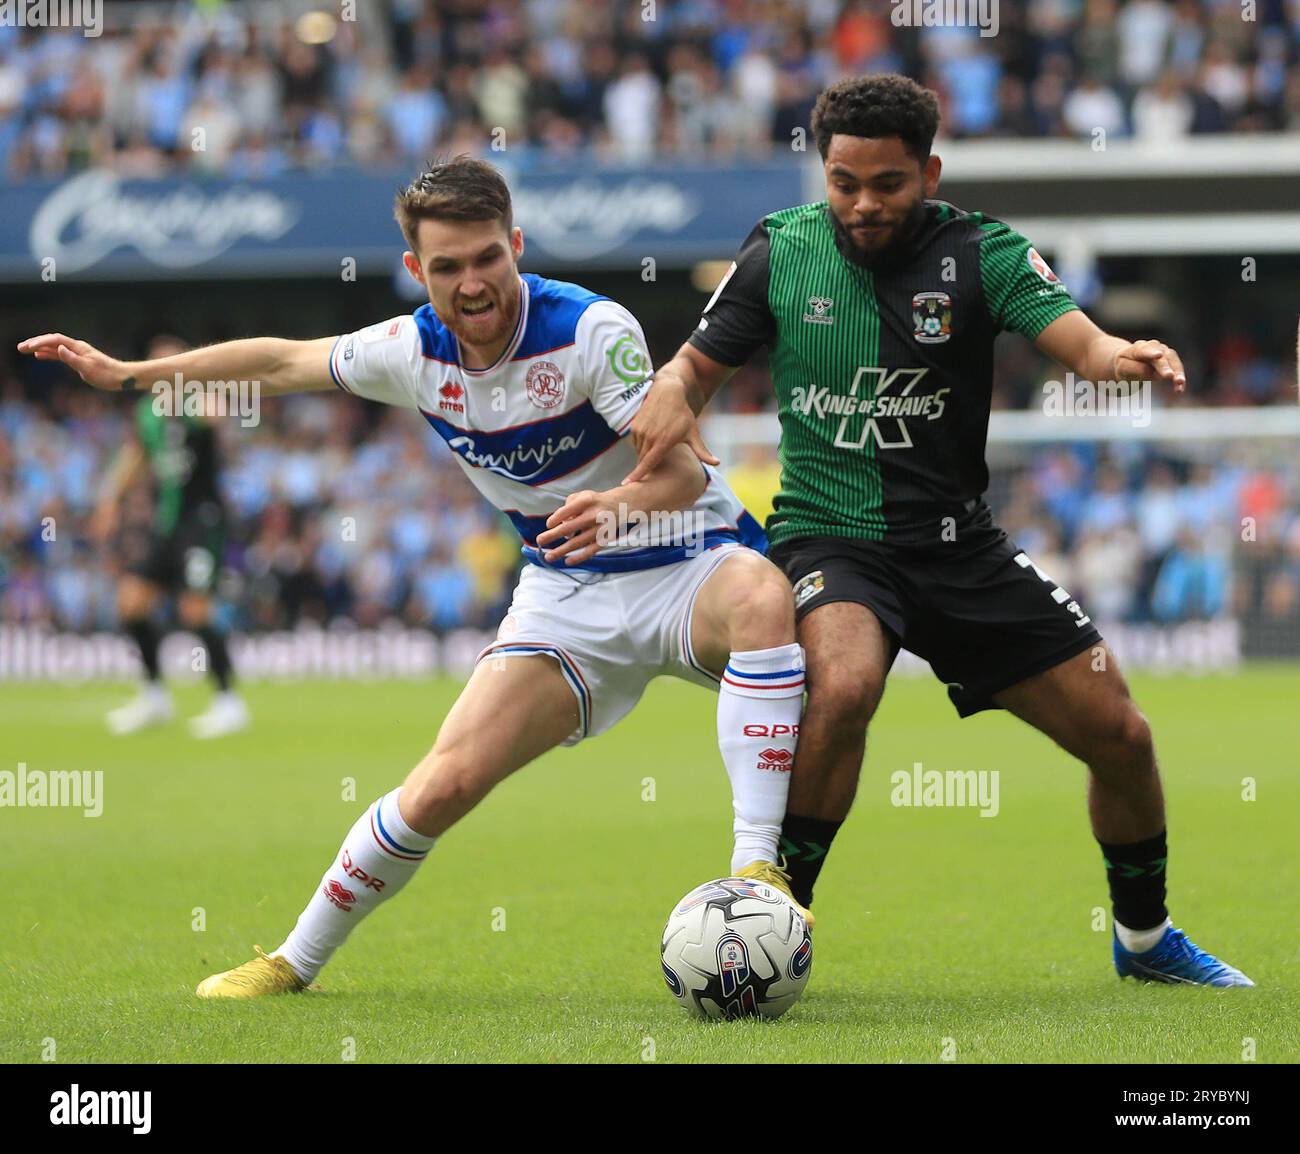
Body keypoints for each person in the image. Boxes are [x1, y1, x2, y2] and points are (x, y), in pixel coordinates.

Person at [20, 156, 809, 999]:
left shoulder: (590, 331)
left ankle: (758, 872)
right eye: (447, 266)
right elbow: (282, 361)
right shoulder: (409, 351)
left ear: (515, 246)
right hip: (566, 594)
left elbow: (685, 473)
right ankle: (293, 960)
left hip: (682, 563)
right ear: (415, 270)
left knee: (765, 598)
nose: (472, 284)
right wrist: (132, 377)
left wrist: (615, 506)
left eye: (486, 259)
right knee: (445, 781)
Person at [626, 74, 1251, 987]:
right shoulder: (780, 250)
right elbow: (691, 366)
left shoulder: (984, 252)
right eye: (844, 182)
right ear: (823, 171)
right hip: (830, 540)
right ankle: (770, 930)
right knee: (841, 686)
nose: (864, 204)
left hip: (962, 548)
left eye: (888, 184)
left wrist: (1123, 356)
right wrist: (672, 391)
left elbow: (1079, 343)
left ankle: (1147, 942)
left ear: (931, 172)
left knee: (1122, 736)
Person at [89, 334, 249, 739]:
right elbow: (137, 455)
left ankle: (229, 701)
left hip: (202, 520)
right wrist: (110, 500)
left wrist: (194, 387)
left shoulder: (198, 399)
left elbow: (218, 414)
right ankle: (154, 696)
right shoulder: (148, 412)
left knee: (195, 610)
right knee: (131, 604)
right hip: (168, 521)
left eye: (174, 362)